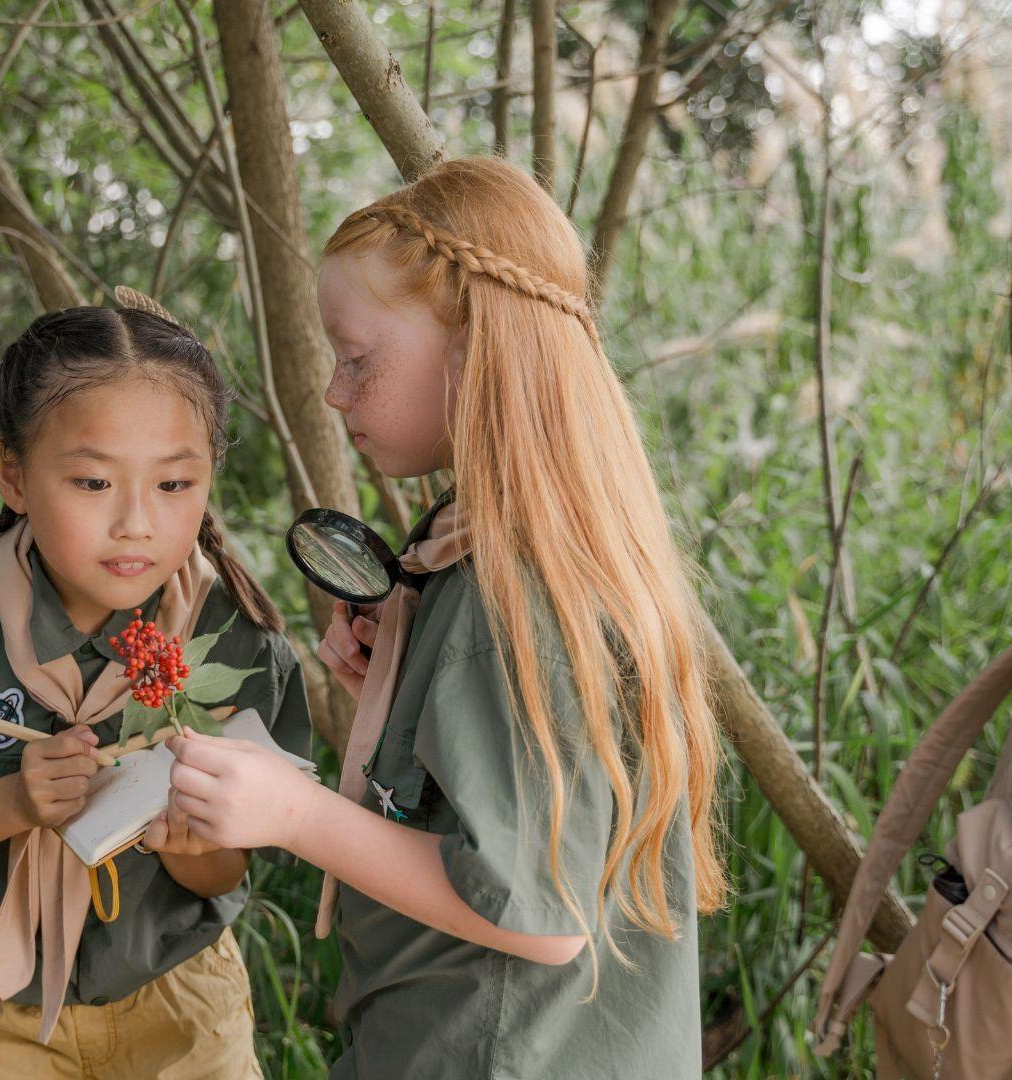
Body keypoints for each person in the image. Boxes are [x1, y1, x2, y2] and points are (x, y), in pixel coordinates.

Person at [164, 156, 727, 1078]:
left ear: (473, 348)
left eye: (357, 358)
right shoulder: (516, 552)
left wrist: (291, 813)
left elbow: (537, 918)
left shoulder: (514, 597)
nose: (337, 392)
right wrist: (404, 682)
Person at [0, 300, 310, 1078]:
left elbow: (229, 869)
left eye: (175, 482)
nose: (137, 522)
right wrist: (11, 803)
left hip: (179, 1000)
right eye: (93, 481)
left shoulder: (236, 642)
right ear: (13, 473)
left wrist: (193, 850)